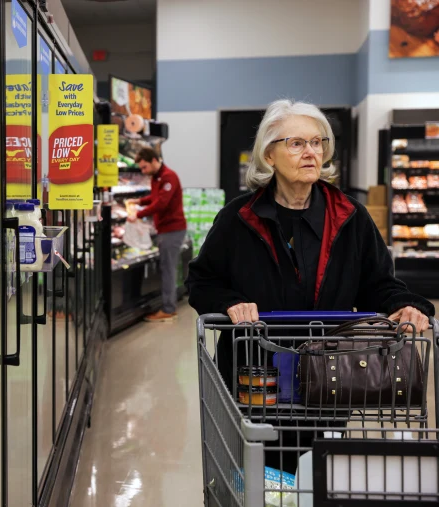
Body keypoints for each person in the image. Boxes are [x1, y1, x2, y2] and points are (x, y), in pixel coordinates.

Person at [186, 99, 434, 473]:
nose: (311, 153)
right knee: (258, 470)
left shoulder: (350, 217)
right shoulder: (238, 219)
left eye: (318, 143)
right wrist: (231, 302)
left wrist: (407, 305)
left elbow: (379, 284)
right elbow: (202, 281)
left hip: (329, 373)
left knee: (316, 466)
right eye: (297, 143)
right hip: (256, 373)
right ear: (269, 155)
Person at [127, 148, 187, 322]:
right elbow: (155, 197)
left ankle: (169, 309)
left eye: (145, 167)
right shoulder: (157, 177)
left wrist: (137, 214)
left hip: (172, 230)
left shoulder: (169, 177)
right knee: (166, 268)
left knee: (168, 270)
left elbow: (161, 203)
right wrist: (139, 201)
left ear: (154, 160)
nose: (143, 171)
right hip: (164, 230)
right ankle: (168, 305)